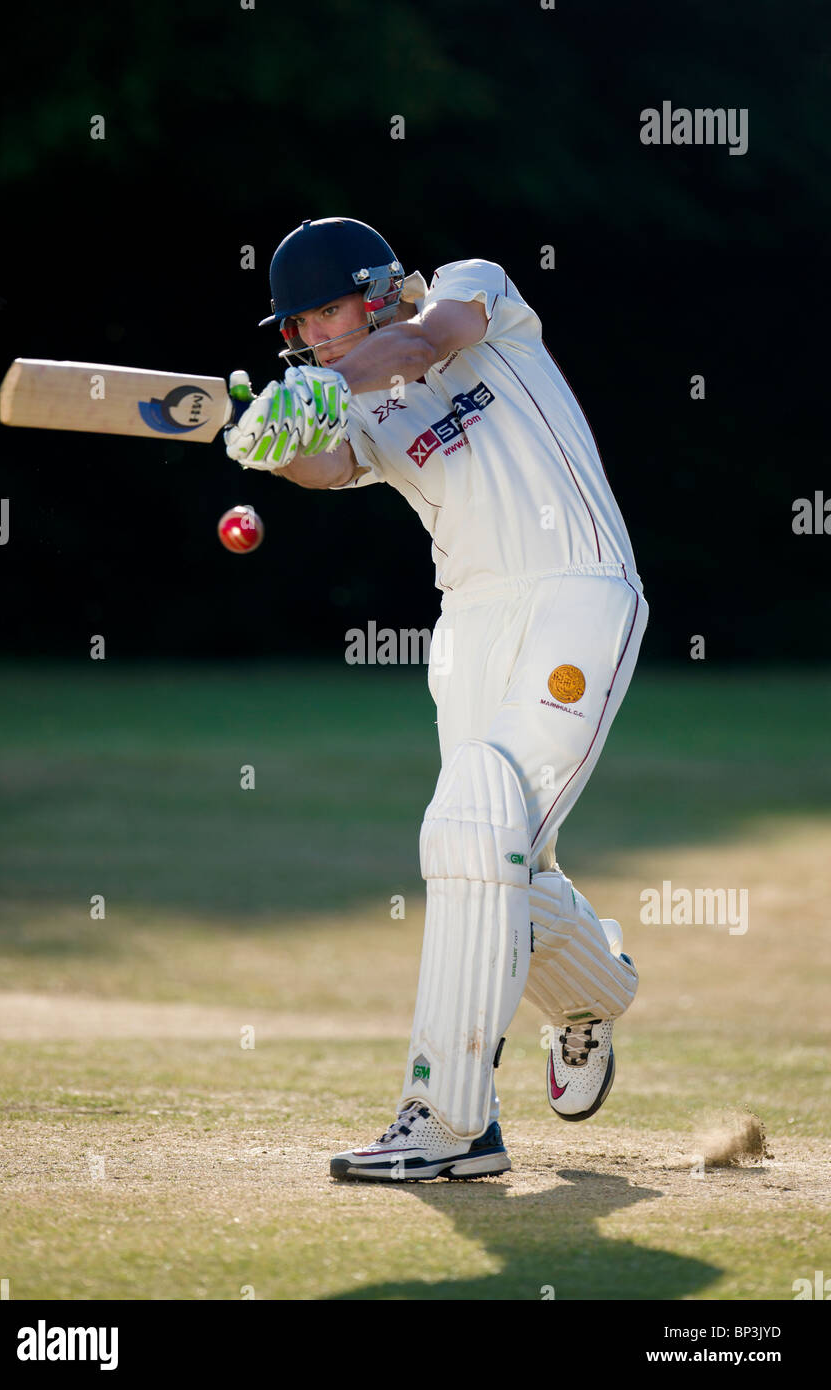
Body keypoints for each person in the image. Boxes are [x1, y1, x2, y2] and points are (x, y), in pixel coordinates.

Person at [225, 216, 649, 1182]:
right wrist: (270, 444)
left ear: (376, 288)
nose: (312, 340)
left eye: (324, 315)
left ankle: (451, 1120)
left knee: (470, 831)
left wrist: (320, 387)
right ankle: (594, 994)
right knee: (504, 858)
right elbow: (332, 465)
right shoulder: (356, 394)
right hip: (469, 628)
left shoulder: (471, 289)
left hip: (576, 589)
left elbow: (418, 346)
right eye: (295, 330)